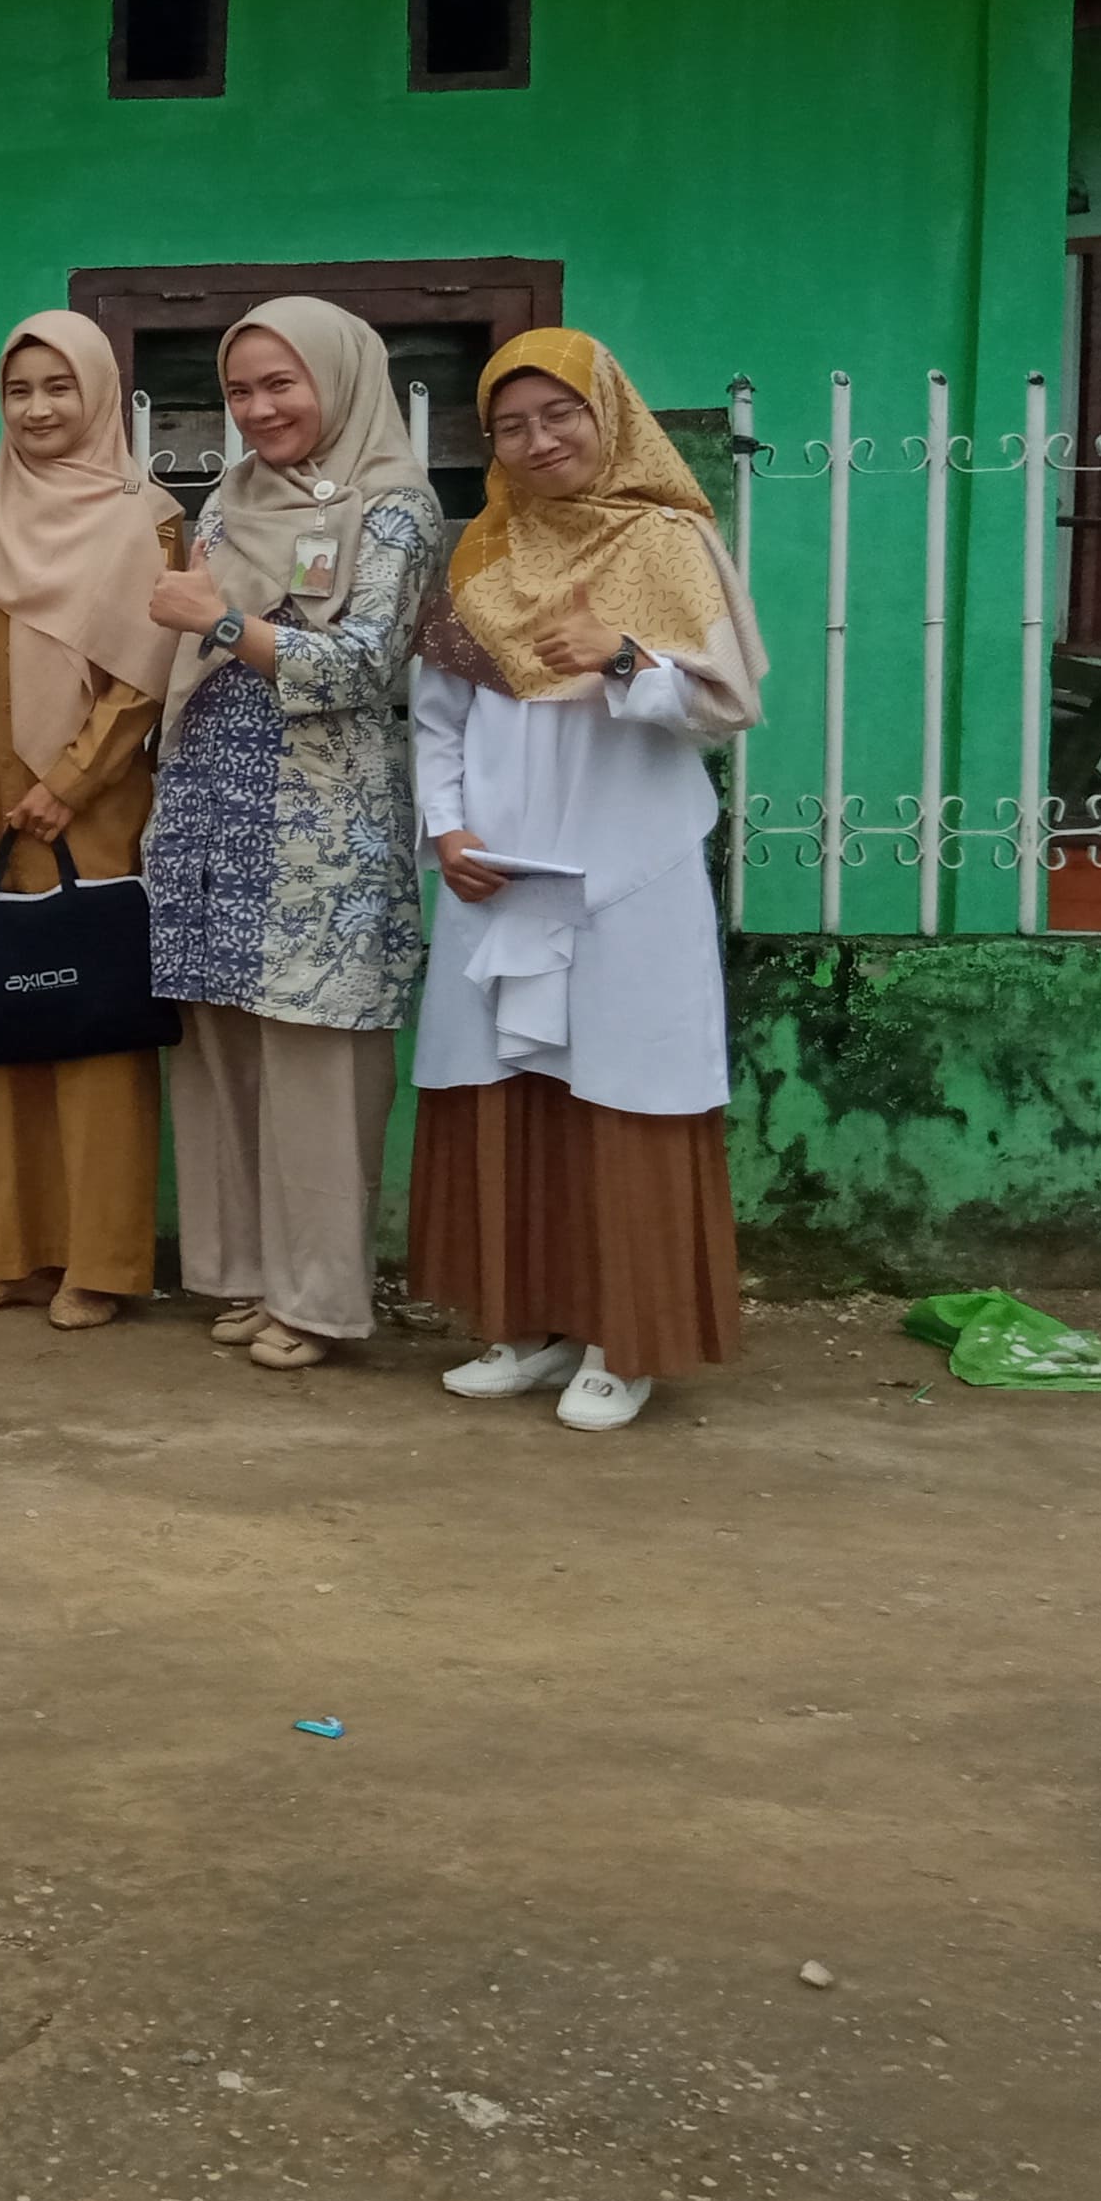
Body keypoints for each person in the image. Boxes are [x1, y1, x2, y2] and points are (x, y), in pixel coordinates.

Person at [405, 332, 766, 1431]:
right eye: (510, 425)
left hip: (627, 869)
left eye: (558, 414)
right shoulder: (482, 551)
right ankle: (529, 1325)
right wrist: (445, 829)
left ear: (608, 415)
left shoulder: (667, 541)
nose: (537, 440)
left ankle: (624, 1339)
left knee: (627, 1092)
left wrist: (620, 655)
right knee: (504, 1093)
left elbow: (722, 708)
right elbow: (437, 715)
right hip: (498, 871)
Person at [144, 299, 448, 1369]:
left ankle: (316, 1300)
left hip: (320, 820)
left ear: (339, 379)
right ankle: (240, 1272)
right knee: (221, 1048)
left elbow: (364, 663)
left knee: (318, 1062)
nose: (259, 408)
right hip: (209, 805)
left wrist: (222, 624)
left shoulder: (394, 507)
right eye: (240, 390)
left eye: (282, 383)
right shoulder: (228, 499)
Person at [0, 312, 190, 1326]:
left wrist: (70, 781)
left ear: (98, 393)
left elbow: (144, 677)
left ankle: (97, 1266)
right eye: (19, 390)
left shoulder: (146, 519)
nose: (35, 409)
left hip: (88, 810)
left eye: (57, 387)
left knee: (93, 1033)